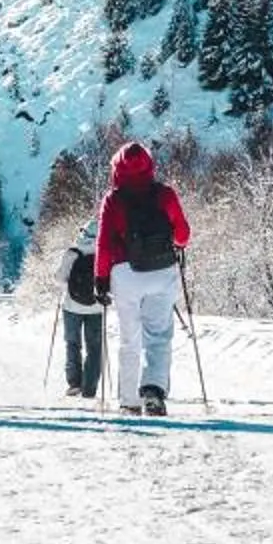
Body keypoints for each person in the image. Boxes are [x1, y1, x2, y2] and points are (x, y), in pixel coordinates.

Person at [94, 140, 190, 416]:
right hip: (162, 271)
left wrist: (100, 278)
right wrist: (174, 242)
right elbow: (183, 234)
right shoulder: (165, 194)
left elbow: (102, 243)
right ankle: (153, 391)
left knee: (129, 338)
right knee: (158, 336)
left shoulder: (113, 199)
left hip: (126, 273)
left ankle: (128, 400)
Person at [56, 223, 108, 399]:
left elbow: (60, 279)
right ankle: (90, 389)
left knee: (72, 344)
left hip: (71, 306)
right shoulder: (105, 253)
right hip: (96, 308)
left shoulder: (72, 253)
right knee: (94, 348)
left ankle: (74, 384)